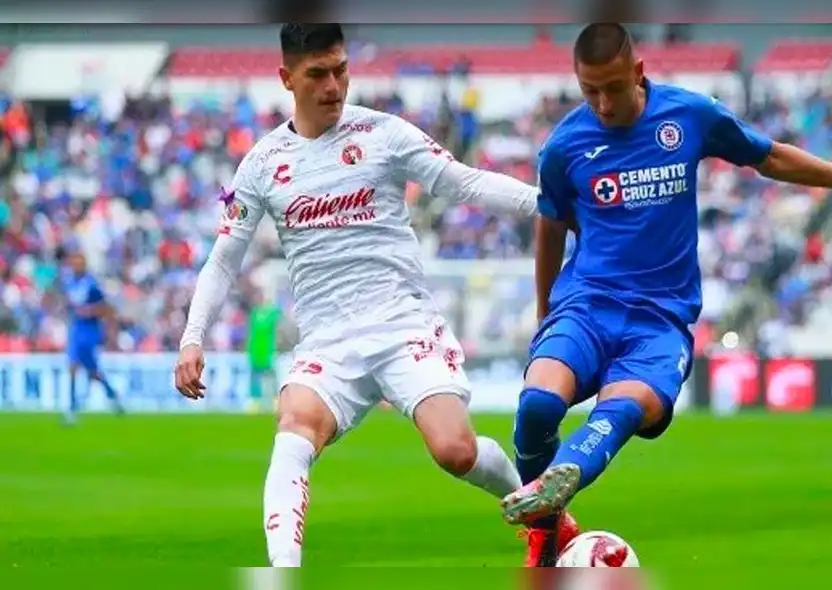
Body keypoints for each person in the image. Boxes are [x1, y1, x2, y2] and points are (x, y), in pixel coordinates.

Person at [501, 22, 832, 564]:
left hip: (659, 321)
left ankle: (565, 478)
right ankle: (548, 523)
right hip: (586, 304)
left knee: (626, 407)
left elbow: (769, 155)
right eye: (590, 91)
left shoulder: (688, 115)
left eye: (613, 88)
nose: (603, 104)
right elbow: (550, 228)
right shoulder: (564, 146)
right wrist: (546, 313)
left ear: (638, 72)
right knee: (538, 403)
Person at [172, 24, 577, 568]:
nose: (334, 85)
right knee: (293, 430)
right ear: (286, 78)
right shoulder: (263, 165)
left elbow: (466, 183)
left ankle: (543, 517)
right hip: (329, 343)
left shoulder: (383, 133)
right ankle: (281, 575)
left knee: (455, 452)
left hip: (403, 326)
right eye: (318, 74)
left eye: (340, 69)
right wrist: (192, 338)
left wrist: (554, 208)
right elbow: (225, 258)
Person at [61, 250, 124, 423]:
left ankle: (111, 394)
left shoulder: (91, 285)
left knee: (92, 371)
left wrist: (90, 311)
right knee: (73, 367)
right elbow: (68, 305)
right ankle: (72, 409)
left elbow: (105, 308)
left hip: (89, 330)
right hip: (76, 329)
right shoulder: (69, 283)